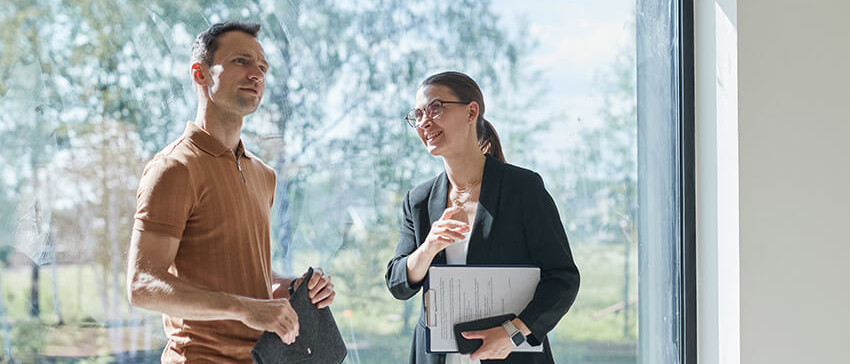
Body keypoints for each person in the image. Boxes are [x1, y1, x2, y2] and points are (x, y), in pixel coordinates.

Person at [126, 21, 335, 363]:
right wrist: (244, 308)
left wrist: (292, 288)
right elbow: (143, 285)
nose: (257, 73)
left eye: (263, 67)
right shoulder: (173, 168)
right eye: (241, 61)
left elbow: (250, 276)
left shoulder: (263, 174)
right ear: (200, 74)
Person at [385, 71, 580, 364]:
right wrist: (428, 248)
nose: (424, 121)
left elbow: (563, 279)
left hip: (512, 355)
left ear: (471, 111)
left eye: (435, 108)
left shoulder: (523, 189)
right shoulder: (419, 200)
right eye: (418, 114)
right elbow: (398, 283)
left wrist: (513, 333)